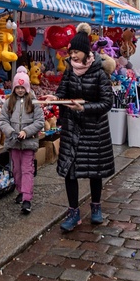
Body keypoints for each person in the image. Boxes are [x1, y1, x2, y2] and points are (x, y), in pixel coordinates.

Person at [43, 23, 115, 231]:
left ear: (86, 53)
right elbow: (63, 91)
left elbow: (106, 103)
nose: (73, 56)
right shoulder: (69, 71)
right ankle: (73, 212)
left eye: (76, 52)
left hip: (95, 130)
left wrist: (84, 108)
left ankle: (96, 208)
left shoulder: (100, 73)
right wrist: (55, 97)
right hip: (72, 128)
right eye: (71, 52)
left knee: (95, 171)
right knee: (70, 171)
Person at [0, 66, 44, 215]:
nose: (20, 90)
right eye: (17, 87)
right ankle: (20, 190)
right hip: (14, 142)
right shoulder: (8, 102)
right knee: (16, 169)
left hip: (29, 143)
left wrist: (26, 131)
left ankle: (27, 199)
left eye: (22, 87)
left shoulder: (33, 102)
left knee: (27, 169)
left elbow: (39, 121)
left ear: (27, 87)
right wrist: (11, 132)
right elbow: (3, 120)